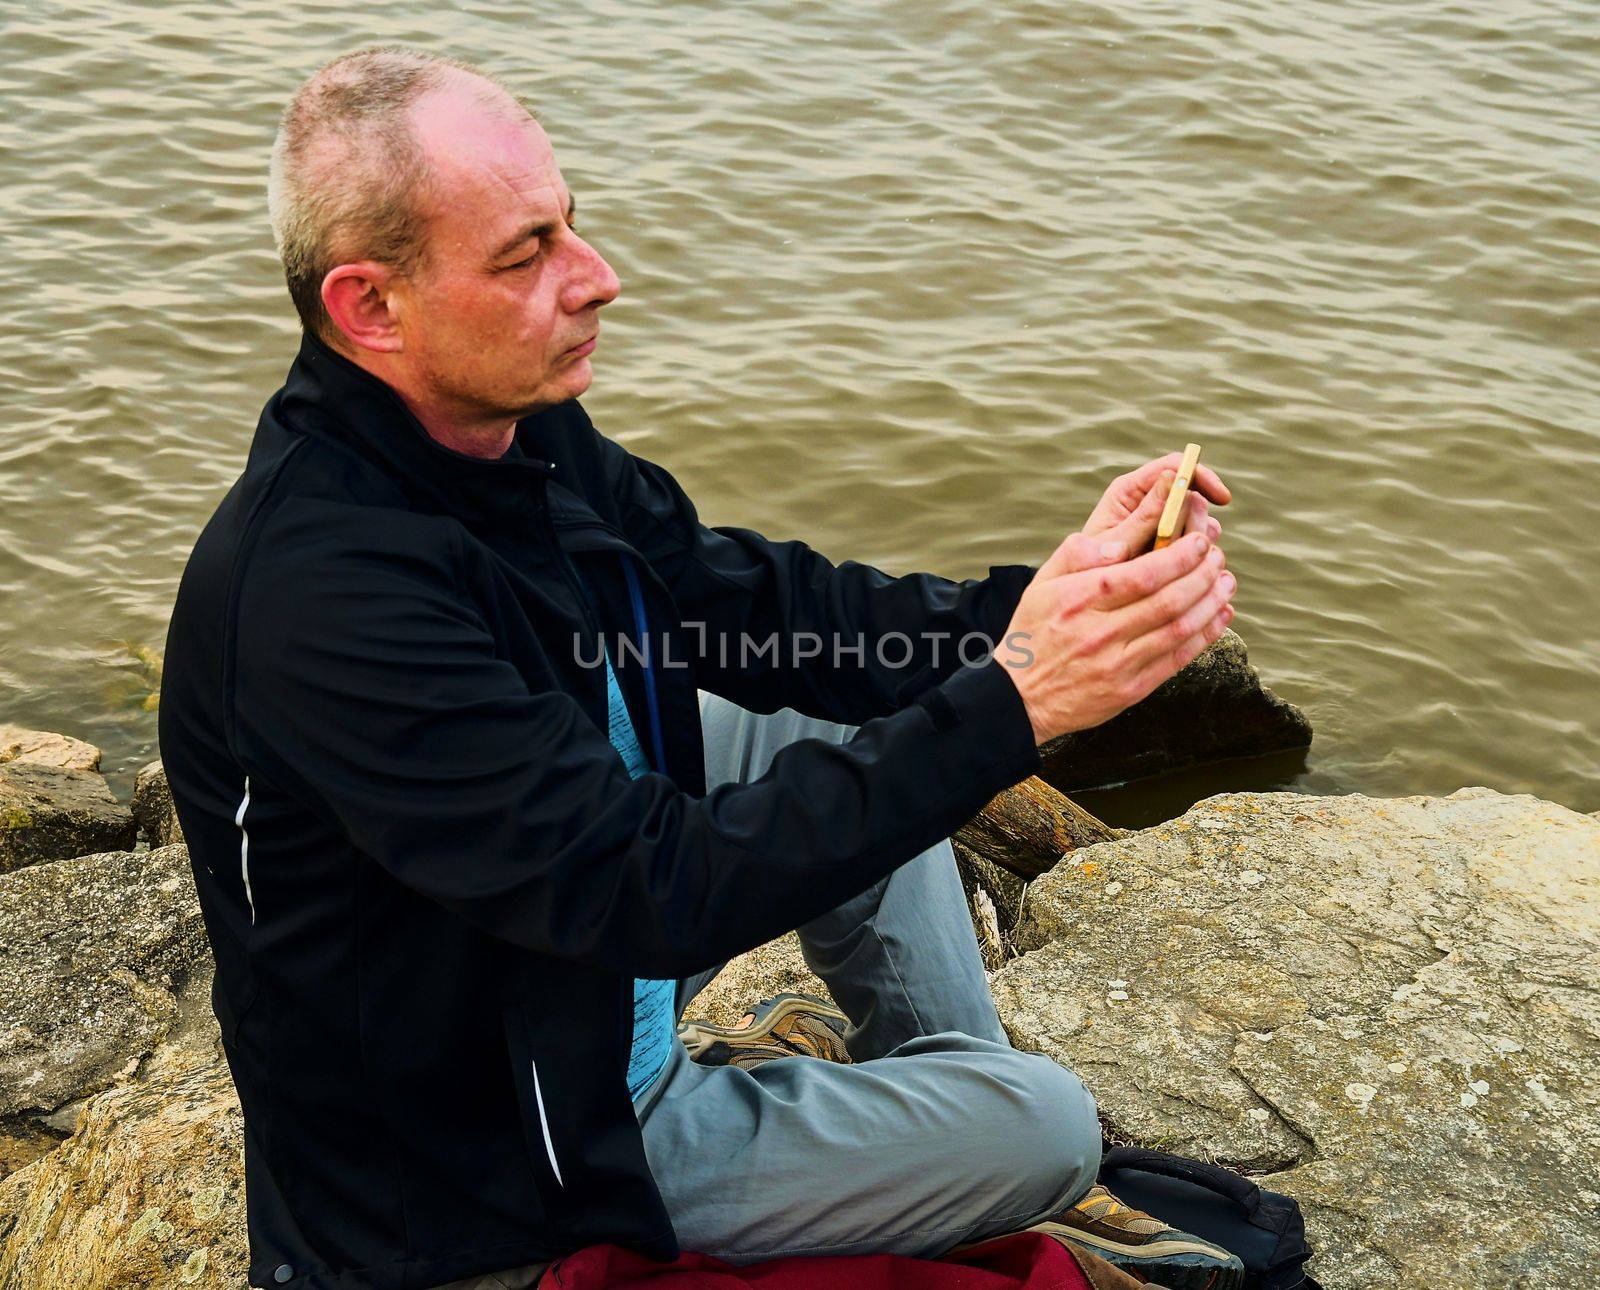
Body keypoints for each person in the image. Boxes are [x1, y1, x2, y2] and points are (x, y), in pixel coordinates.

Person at [158, 46, 1241, 1290]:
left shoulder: (512, 429)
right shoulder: (322, 594)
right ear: (369, 307)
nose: (597, 280)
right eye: (525, 257)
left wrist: (1026, 616)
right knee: (1050, 1129)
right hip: (503, 1170)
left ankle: (937, 1097)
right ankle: (955, 1130)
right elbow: (643, 889)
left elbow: (747, 608)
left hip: (569, 990)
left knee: (822, 732)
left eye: (570, 226)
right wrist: (1016, 704)